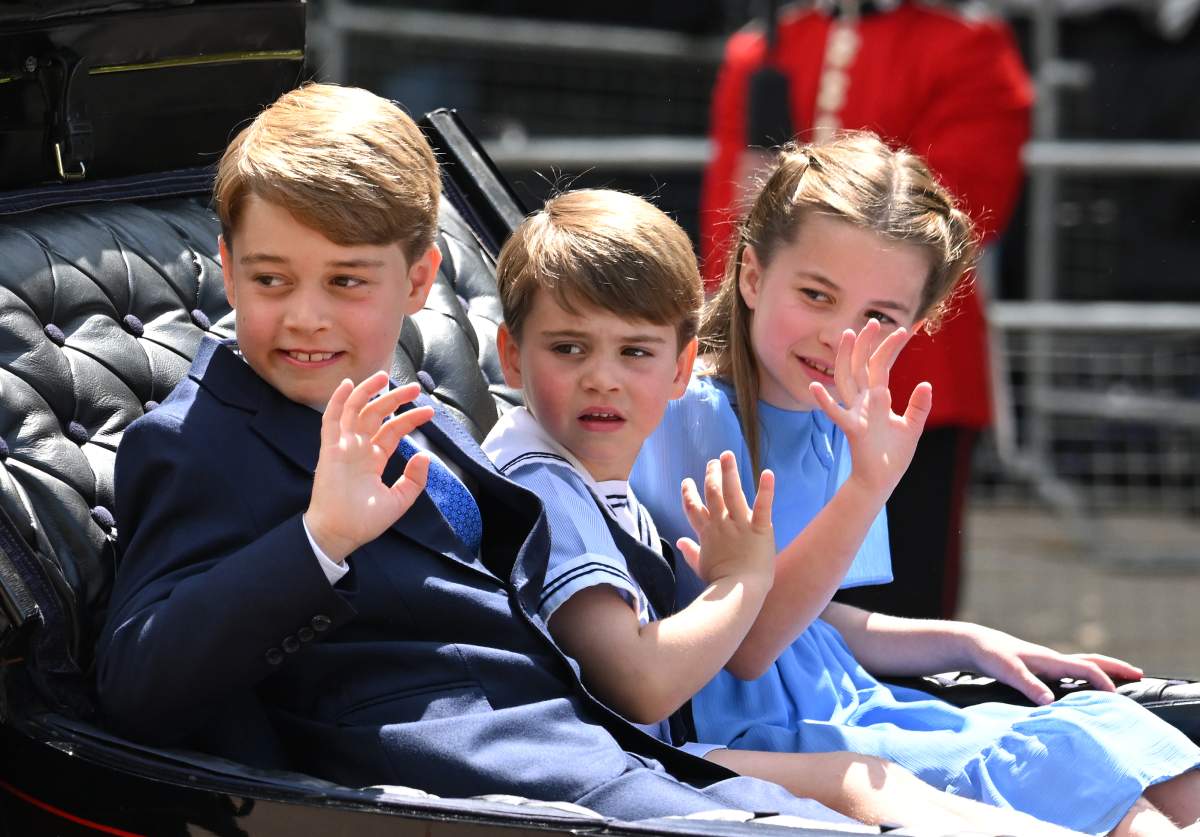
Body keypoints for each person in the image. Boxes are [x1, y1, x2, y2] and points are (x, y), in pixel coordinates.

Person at [93, 82, 870, 825]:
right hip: (468, 787)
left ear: (420, 279)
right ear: (228, 270)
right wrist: (318, 539)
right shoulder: (195, 442)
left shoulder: (411, 408)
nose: (305, 316)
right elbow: (135, 679)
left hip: (595, 750)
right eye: (271, 279)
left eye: (346, 281)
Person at [631, 132, 1200, 837]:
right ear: (751, 276)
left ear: (917, 326)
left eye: (878, 318)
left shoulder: (839, 419)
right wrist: (867, 486)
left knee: (1142, 748)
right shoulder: (689, 414)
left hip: (854, 703)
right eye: (815, 294)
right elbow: (749, 644)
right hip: (763, 733)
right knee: (1084, 774)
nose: (840, 337)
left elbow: (817, 619)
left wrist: (965, 639)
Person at [482, 186, 1085, 835]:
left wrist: (963, 638)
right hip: (663, 755)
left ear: (676, 364)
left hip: (693, 742)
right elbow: (656, 680)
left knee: (1078, 751)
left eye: (635, 352)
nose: (603, 377)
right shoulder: (554, 479)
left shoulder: (602, 475)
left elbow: (812, 623)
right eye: (569, 348)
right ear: (512, 354)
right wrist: (746, 576)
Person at [701, 0, 1035, 618]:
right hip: (773, 365)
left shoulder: (967, 46)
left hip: (906, 372)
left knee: (905, 597)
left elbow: (956, 213)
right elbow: (730, 225)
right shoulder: (759, 51)